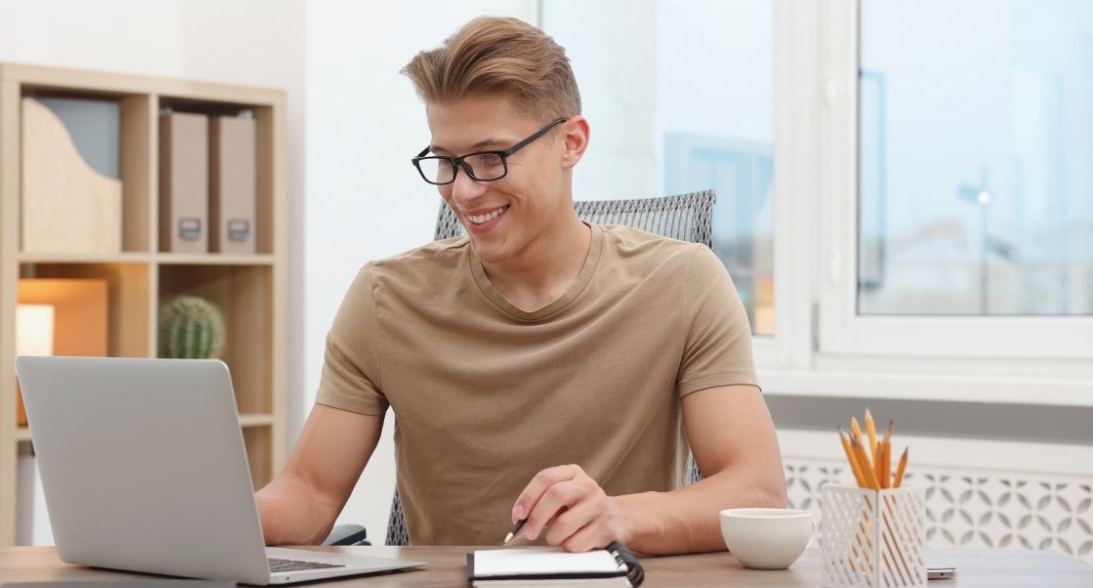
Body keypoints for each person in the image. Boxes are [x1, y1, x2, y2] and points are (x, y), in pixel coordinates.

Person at [256, 16, 786, 554]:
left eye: (491, 157)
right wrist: (186, 512)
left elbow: (758, 492)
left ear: (571, 142)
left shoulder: (685, 284)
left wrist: (618, 517)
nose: (462, 191)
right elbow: (309, 495)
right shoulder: (383, 299)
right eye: (446, 161)